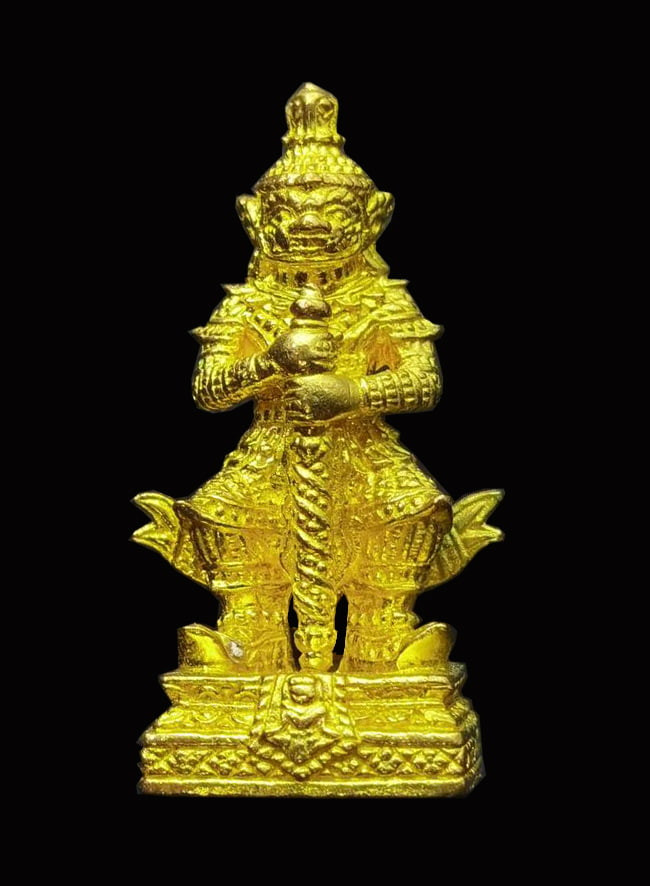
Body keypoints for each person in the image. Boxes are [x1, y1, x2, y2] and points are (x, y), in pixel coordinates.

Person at [134, 83, 453, 673]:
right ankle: (247, 647)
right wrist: (270, 362)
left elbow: (422, 382)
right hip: (271, 449)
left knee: (404, 518)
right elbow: (209, 389)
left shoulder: (383, 301)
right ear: (254, 218)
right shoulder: (248, 304)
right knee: (232, 526)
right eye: (289, 212)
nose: (309, 221)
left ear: (374, 217)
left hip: (363, 450)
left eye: (332, 211)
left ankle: (381, 645)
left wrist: (353, 392)